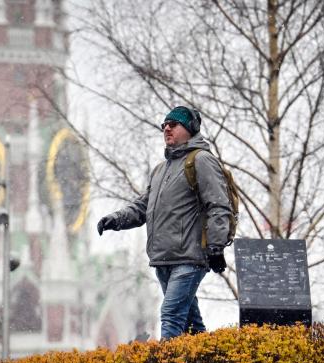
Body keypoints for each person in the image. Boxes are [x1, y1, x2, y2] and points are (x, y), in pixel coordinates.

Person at [97, 106, 233, 340]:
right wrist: (116, 220)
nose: (167, 128)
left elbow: (219, 205)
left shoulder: (201, 160)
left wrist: (216, 247)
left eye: (174, 124)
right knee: (192, 326)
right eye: (164, 125)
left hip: (189, 258)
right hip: (164, 259)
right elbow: (143, 206)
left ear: (190, 129)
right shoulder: (161, 170)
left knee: (171, 314)